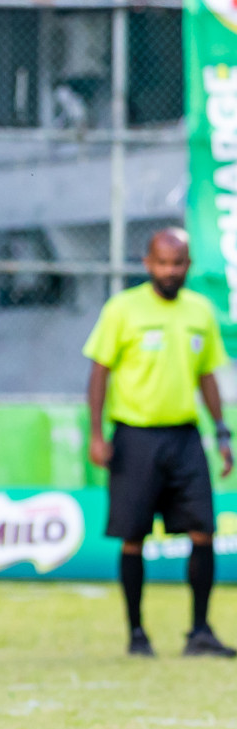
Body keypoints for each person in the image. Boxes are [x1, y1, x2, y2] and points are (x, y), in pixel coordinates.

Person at [86, 228, 235, 658]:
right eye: (163, 263)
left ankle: (200, 632)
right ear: (148, 263)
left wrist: (221, 432)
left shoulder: (200, 312)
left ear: (188, 265)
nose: (170, 271)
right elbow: (99, 373)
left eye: (178, 263)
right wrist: (98, 433)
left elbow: (207, 375)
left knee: (204, 529)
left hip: (185, 436)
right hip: (134, 436)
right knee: (133, 537)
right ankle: (137, 634)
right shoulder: (122, 309)